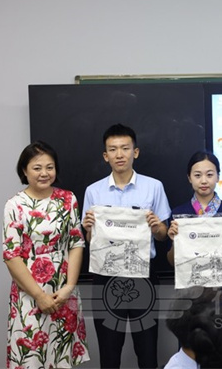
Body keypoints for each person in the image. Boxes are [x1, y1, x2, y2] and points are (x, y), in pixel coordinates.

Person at [81, 123, 171, 369]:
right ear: (105, 156)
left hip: (143, 275)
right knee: (109, 352)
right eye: (113, 149)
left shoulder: (154, 186)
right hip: (106, 276)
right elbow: (90, 241)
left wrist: (156, 227)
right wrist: (88, 229)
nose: (119, 154)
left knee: (147, 350)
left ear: (135, 152)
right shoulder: (93, 191)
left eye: (125, 148)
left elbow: (163, 235)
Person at [3, 141, 90, 368]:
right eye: (37, 168)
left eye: (49, 167)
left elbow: (76, 243)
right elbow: (11, 256)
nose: (44, 173)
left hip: (63, 290)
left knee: (62, 356)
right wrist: (39, 296)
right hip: (30, 293)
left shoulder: (68, 199)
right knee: (32, 356)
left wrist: (69, 287)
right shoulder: (15, 205)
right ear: (24, 170)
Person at [167, 150, 222, 265]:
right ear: (189, 178)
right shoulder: (178, 214)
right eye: (197, 175)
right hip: (190, 274)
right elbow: (171, 262)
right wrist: (175, 242)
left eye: (209, 175)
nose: (204, 181)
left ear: (218, 177)